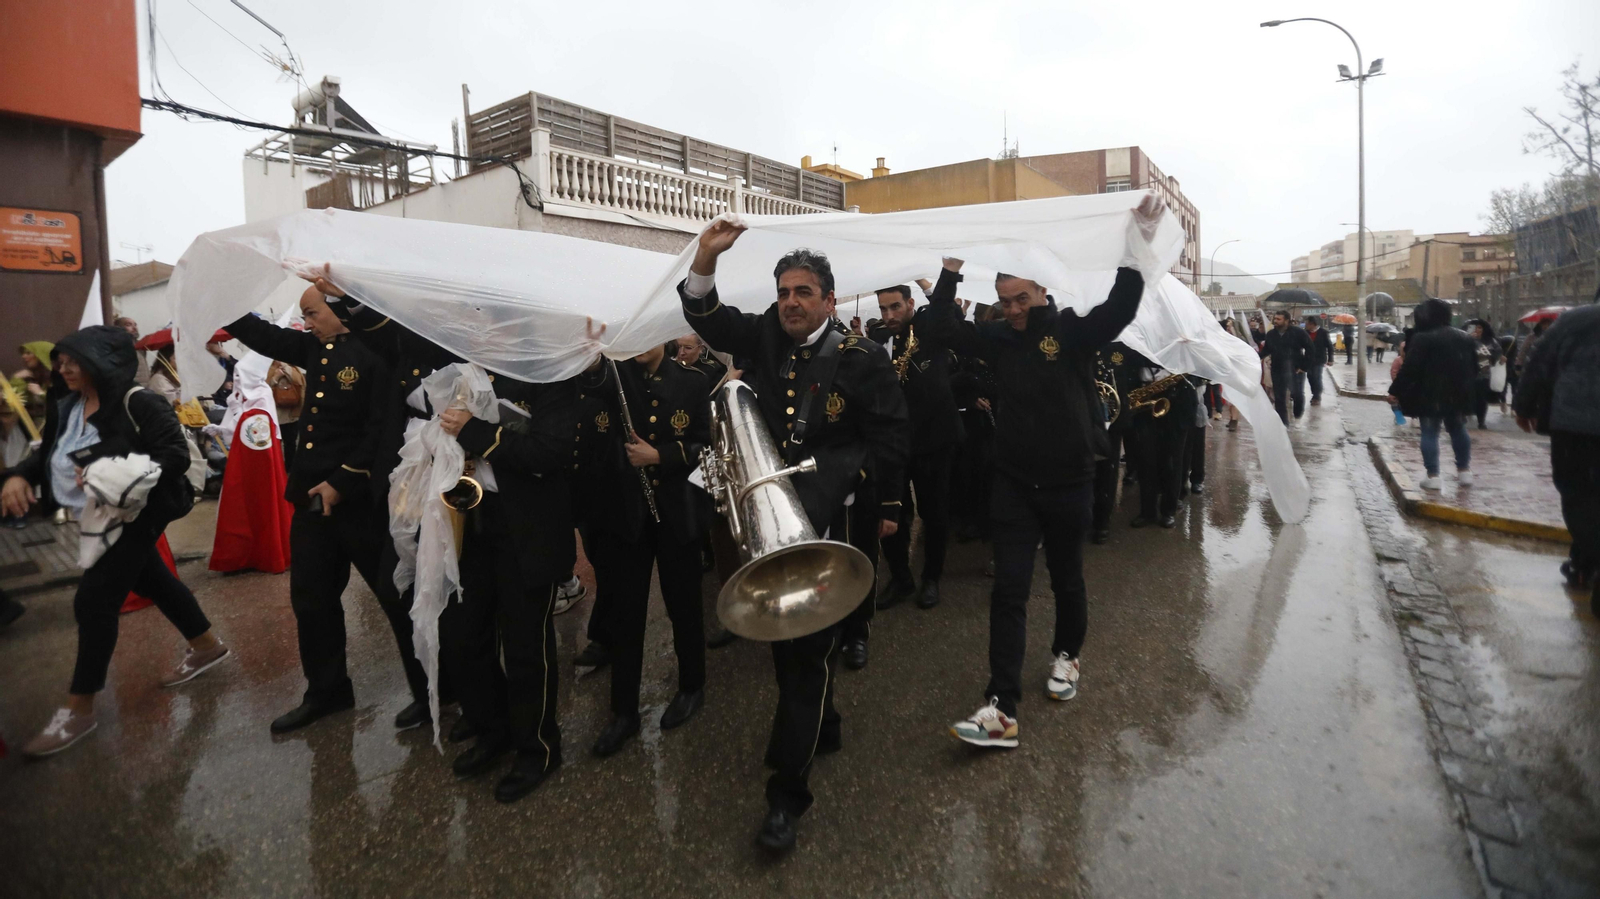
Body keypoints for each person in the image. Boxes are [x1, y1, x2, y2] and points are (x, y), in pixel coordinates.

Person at [678, 220, 908, 852]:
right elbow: (704, 313)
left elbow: (891, 435)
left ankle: (786, 796)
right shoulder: (765, 336)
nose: (791, 302)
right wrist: (704, 256)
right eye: (784, 291)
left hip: (827, 518)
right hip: (771, 519)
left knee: (800, 655)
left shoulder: (863, 361)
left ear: (829, 301)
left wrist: (887, 504)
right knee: (794, 649)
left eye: (804, 292)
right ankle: (825, 724)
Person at [924, 193, 1164, 754]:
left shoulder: (1072, 332)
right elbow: (938, 326)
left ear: (1042, 294)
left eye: (1022, 299)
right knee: (1008, 590)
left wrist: (1139, 243)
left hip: (1070, 480)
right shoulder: (998, 339)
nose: (1013, 310)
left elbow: (1121, 307)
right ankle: (1002, 707)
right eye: (1005, 301)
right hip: (1013, 483)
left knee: (1066, 578)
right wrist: (950, 271)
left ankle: (1067, 655)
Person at [1, 326, 229, 758]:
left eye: (73, 361)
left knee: (93, 600)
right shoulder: (68, 403)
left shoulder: (139, 401)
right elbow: (46, 450)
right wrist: (17, 475)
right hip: (100, 512)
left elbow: (174, 457)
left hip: (141, 511)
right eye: (61, 361)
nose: (63, 368)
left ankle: (79, 710)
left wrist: (109, 469)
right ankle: (206, 646)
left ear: (101, 361)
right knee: (152, 579)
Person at [224, 287, 426, 734]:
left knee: (396, 598)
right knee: (312, 600)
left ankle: (431, 689)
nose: (307, 322)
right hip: (312, 499)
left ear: (338, 312)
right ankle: (327, 691)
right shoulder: (314, 347)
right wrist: (222, 300)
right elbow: (267, 336)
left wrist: (343, 480)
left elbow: (379, 429)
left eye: (313, 313)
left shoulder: (375, 349)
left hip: (360, 499)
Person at [434, 362, 577, 803]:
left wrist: (476, 431)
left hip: (526, 529)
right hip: (471, 519)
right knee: (465, 637)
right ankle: (492, 730)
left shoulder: (550, 370)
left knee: (525, 647)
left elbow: (547, 451)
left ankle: (538, 747)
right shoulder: (464, 367)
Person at [579, 343, 710, 758]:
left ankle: (692, 685)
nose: (639, 344)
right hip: (627, 518)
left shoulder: (692, 383)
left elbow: (708, 448)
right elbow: (591, 383)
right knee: (625, 614)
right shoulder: (613, 377)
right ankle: (624, 712)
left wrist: (662, 455)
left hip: (676, 516)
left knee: (683, 605)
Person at [868, 270, 964, 611]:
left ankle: (932, 579)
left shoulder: (929, 328)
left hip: (934, 439)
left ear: (910, 303)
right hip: (894, 443)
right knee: (892, 513)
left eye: (895, 306)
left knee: (935, 512)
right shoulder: (878, 339)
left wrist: (930, 285)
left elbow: (951, 313)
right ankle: (901, 578)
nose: (889, 315)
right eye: (883, 308)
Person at [1513, 302, 1600, 614]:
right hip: (1574, 423)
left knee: (1578, 497)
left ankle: (1587, 560)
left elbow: (1539, 363)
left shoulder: (1575, 321)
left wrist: (1523, 406)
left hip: (1574, 428)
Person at [1388, 298, 1476, 492]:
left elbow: (1410, 369)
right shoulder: (1465, 338)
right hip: (1458, 394)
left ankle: (1433, 475)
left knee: (1429, 432)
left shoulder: (1423, 338)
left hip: (1430, 394)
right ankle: (1464, 471)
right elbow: (1474, 369)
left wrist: (1394, 391)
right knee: (1459, 430)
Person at [1260, 311, 1310, 423]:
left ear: (1286, 320)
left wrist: (1304, 366)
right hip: (1277, 369)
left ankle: (1298, 411)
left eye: (1279, 319)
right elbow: (1266, 350)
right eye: (1275, 319)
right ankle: (1283, 423)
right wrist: (1253, 358)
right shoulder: (1271, 334)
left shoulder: (1298, 333)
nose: (1275, 321)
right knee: (1279, 398)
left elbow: (1310, 349)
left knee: (1297, 394)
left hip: (1296, 369)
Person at [1466, 319, 1503, 429]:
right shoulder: (1468, 339)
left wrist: (1493, 359)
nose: (1477, 330)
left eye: (1480, 327)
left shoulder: (1491, 341)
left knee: (1482, 399)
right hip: (1469, 373)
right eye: (1476, 327)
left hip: (1484, 374)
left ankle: (1481, 421)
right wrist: (1470, 340)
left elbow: (1497, 352)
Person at [1218, 319, 1248, 431]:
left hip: (1237, 370)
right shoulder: (1222, 339)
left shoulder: (1239, 340)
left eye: (1231, 326)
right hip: (1227, 370)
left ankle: (1234, 420)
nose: (1229, 328)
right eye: (1227, 326)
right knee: (1229, 396)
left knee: (1235, 396)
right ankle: (1232, 418)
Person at [1303, 316, 1334, 406]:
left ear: (1312, 324)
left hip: (1319, 359)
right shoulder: (1305, 333)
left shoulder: (1323, 332)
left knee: (1316, 376)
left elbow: (1329, 346)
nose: (1305, 325)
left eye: (1307, 324)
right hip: (1308, 359)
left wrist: (1331, 359)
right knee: (1310, 376)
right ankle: (1314, 393)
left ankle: (1317, 396)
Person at [113, 317, 151, 386]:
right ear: (118, 328)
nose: (134, 328)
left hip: (145, 388)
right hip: (131, 389)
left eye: (135, 325)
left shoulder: (141, 346)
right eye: (128, 325)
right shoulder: (118, 347)